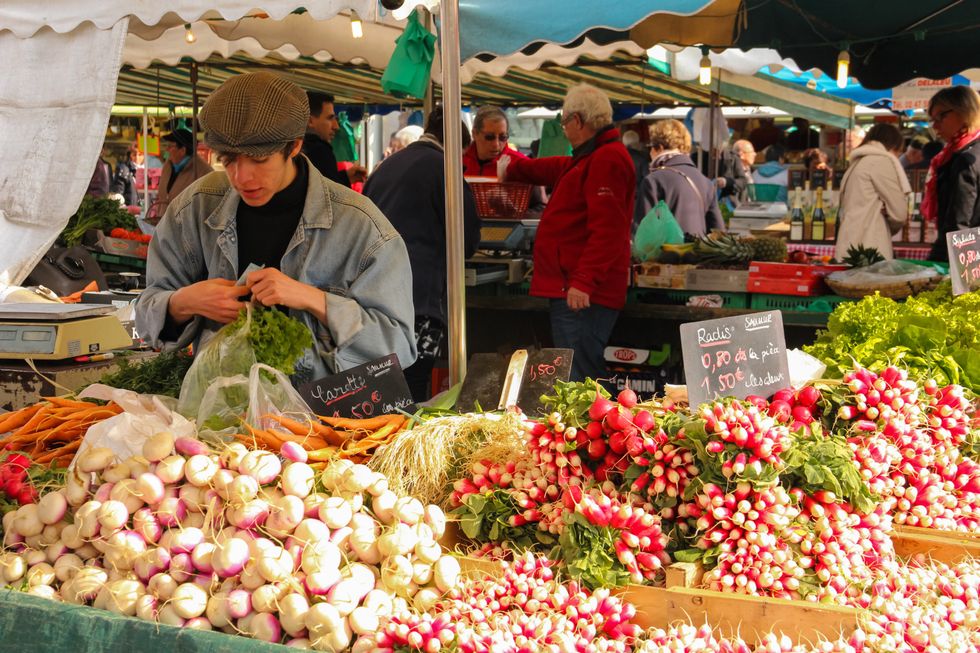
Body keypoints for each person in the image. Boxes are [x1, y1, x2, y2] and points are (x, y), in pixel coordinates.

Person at [135, 72, 417, 384]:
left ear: (294, 146)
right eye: (228, 160)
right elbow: (146, 316)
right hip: (215, 417)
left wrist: (315, 300)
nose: (242, 177)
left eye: (259, 160)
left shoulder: (362, 227)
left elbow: (399, 347)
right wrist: (185, 301)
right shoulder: (195, 207)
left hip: (319, 422)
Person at [499, 83, 635, 382]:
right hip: (575, 287)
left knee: (580, 375)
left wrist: (584, 281)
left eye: (564, 122)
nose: (563, 129)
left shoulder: (606, 159)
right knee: (578, 370)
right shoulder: (591, 157)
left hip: (581, 294)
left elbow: (609, 230)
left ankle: (596, 426)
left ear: (578, 121)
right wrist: (513, 168)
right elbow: (556, 168)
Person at [364, 108, 480, 402]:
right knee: (411, 391)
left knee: (379, 391)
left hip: (372, 297)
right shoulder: (445, 168)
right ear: (458, 145)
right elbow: (466, 239)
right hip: (419, 302)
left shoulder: (385, 167)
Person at [834, 123, 910, 260]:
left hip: (849, 243)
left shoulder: (857, 163)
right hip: (869, 248)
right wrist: (888, 220)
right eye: (899, 152)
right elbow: (899, 213)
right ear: (893, 147)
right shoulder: (880, 162)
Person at [637, 119, 724, 236]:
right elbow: (718, 231)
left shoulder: (654, 181)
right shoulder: (705, 182)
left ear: (660, 148)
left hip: (664, 253)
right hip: (698, 252)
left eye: (650, 147)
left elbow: (643, 233)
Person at [923, 86, 980, 262]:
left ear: (964, 111)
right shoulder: (966, 152)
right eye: (932, 119)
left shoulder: (965, 159)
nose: (935, 125)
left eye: (941, 116)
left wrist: (936, 262)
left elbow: (958, 223)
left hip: (968, 258)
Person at [303, 91, 366, 188]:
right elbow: (330, 196)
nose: (336, 126)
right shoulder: (319, 150)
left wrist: (344, 177)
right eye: (329, 118)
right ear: (310, 121)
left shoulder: (295, 148)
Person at [149, 128, 212, 223]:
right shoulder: (169, 164)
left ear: (182, 150)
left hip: (187, 230)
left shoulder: (203, 171)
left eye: (170, 146)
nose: (167, 149)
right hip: (163, 225)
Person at [463, 106, 530, 176]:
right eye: (489, 137)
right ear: (475, 133)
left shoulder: (520, 164)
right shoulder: (458, 163)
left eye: (503, 137)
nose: (496, 144)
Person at [715, 139, 755, 204]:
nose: (754, 154)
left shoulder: (750, 170)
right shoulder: (730, 168)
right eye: (751, 152)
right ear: (742, 154)